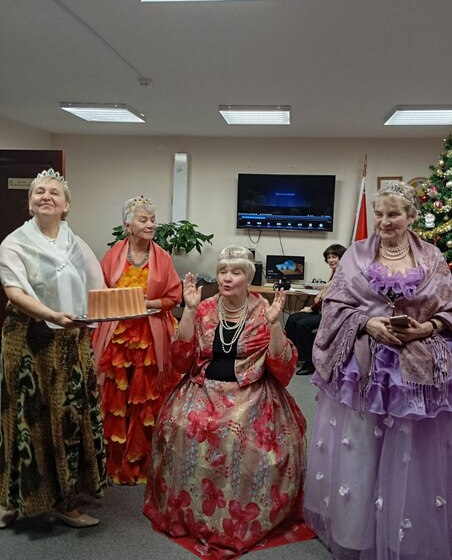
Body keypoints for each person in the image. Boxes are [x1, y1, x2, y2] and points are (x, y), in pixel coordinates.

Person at [304, 182, 452, 560]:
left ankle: (405, 538)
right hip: (362, 368)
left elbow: (448, 308)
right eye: (380, 214)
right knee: (361, 450)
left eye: (393, 214)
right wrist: (366, 323)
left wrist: (427, 327)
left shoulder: (433, 258)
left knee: (408, 450)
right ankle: (356, 534)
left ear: (411, 217)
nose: (384, 221)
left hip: (415, 371)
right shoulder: (355, 255)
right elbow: (334, 305)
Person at [144, 246, 307, 559]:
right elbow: (181, 360)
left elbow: (284, 371)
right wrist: (188, 310)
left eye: (235, 272)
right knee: (181, 424)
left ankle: (236, 517)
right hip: (202, 387)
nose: (227, 278)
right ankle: (193, 512)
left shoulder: (263, 310)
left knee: (237, 436)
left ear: (249, 278)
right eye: (222, 271)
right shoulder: (204, 308)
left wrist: (275, 324)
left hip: (251, 390)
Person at [0, 168, 106, 529]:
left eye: (54, 192)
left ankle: (65, 501)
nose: (46, 196)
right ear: (30, 202)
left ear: (66, 205)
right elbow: (14, 291)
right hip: (28, 341)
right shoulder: (14, 243)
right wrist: (50, 316)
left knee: (67, 418)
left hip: (71, 341)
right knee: (24, 418)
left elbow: (99, 291)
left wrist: (126, 308)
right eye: (39, 192)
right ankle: (11, 499)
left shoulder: (77, 244)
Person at [92, 196, 182, 485]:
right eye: (143, 220)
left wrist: (148, 303)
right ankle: (114, 463)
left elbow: (174, 297)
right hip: (117, 337)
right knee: (116, 398)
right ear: (127, 225)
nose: (150, 224)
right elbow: (101, 292)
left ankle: (145, 463)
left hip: (150, 337)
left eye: (152, 220)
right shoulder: (113, 255)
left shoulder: (163, 257)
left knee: (147, 400)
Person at [285, 244, 347, 375]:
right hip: (325, 310)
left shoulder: (344, 275)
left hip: (334, 314)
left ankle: (310, 362)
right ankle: (294, 355)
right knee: (293, 318)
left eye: (334, 257)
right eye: (329, 257)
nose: (331, 260)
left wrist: (311, 308)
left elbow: (330, 298)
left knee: (303, 324)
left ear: (342, 257)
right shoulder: (334, 273)